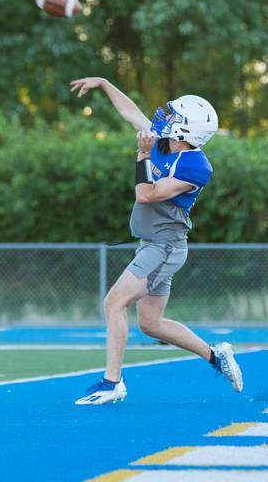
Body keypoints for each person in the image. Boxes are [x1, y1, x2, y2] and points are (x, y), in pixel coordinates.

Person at [69, 77, 243, 405]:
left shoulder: (194, 166)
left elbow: (146, 195)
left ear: (187, 131)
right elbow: (131, 113)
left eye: (175, 116)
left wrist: (140, 155)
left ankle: (112, 382)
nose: (167, 118)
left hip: (164, 247)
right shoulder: (165, 142)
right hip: (153, 244)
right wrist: (104, 84)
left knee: (114, 302)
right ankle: (215, 356)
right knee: (151, 324)